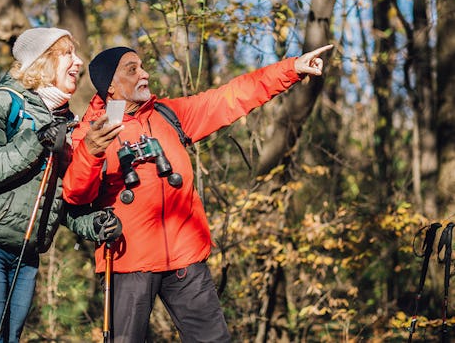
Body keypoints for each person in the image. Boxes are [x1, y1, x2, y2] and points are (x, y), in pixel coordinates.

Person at [62, 43, 334, 342]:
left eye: (142, 66)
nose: (145, 74)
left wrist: (292, 68)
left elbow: (232, 97)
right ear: (110, 86)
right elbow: (76, 194)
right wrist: (92, 151)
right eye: (133, 69)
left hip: (185, 257)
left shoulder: (168, 115)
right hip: (128, 262)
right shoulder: (90, 132)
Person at [0, 27, 120, 343]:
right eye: (68, 53)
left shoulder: (66, 120)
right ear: (43, 61)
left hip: (26, 251)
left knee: (9, 338)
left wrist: (93, 224)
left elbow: (59, 198)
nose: (78, 61)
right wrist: (36, 141)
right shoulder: (0, 102)